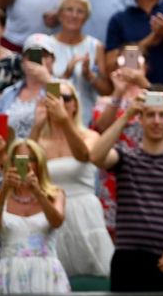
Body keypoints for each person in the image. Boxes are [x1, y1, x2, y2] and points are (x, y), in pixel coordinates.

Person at [90, 89, 163, 291]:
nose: (156, 121)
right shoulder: (125, 156)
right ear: (141, 119)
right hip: (128, 259)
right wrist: (126, 115)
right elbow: (96, 157)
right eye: (150, 114)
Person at [35, 80, 113, 279]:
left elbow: (84, 155)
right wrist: (37, 125)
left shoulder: (90, 135)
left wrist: (64, 122)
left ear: (75, 105)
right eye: (53, 97)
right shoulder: (39, 141)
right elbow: (27, 164)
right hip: (50, 210)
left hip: (84, 209)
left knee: (97, 270)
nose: (60, 102)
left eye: (66, 98)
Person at [0, 139, 69, 295]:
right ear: (11, 163)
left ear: (40, 163)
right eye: (20, 160)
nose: (27, 165)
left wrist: (38, 192)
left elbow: (57, 222)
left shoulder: (55, 194)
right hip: (9, 273)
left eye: (32, 159)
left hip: (46, 273)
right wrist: (4, 189)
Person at [48, 0, 111, 127]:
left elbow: (106, 91)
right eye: (69, 10)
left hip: (88, 118)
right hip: (55, 117)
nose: (74, 15)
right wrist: (65, 77)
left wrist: (89, 75)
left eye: (80, 11)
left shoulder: (96, 46)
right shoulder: (45, 44)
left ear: (86, 18)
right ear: (60, 14)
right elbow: (37, 85)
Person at [0, 34, 56, 140]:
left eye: (44, 55)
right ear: (23, 61)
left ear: (52, 60)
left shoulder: (63, 86)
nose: (38, 61)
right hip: (13, 152)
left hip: (47, 152)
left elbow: (64, 116)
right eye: (33, 55)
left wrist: (47, 81)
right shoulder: (8, 93)